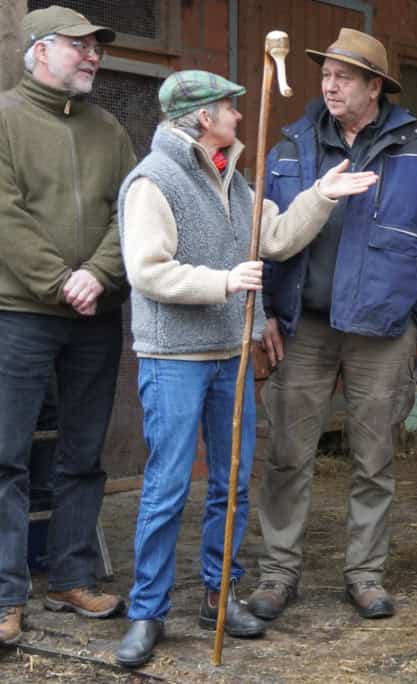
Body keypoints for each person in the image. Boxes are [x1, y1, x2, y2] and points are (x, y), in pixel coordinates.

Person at [114, 70, 379, 668]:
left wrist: (321, 195)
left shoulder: (235, 182)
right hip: (175, 357)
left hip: (230, 355)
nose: (238, 115)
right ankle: (147, 611)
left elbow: (278, 237)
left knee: (231, 485)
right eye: (230, 108)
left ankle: (219, 594)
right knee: (167, 486)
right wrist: (224, 282)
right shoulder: (152, 183)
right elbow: (147, 270)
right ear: (204, 117)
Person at [248, 28, 417, 622]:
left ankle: (365, 574)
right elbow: (260, 233)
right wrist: (266, 314)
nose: (330, 86)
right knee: (288, 454)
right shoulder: (288, 147)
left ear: (375, 87)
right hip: (303, 325)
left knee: (374, 458)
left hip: (382, 333)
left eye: (344, 77)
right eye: (326, 75)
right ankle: (278, 573)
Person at [0, 5, 135, 646]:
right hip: (20, 312)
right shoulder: (2, 120)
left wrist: (99, 276)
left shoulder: (109, 128)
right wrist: (59, 281)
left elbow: (131, 214)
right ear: (39, 49)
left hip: (96, 315)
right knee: (6, 458)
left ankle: (72, 574)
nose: (93, 56)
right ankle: (5, 593)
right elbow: (5, 218)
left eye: (97, 48)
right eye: (79, 46)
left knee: (83, 454)